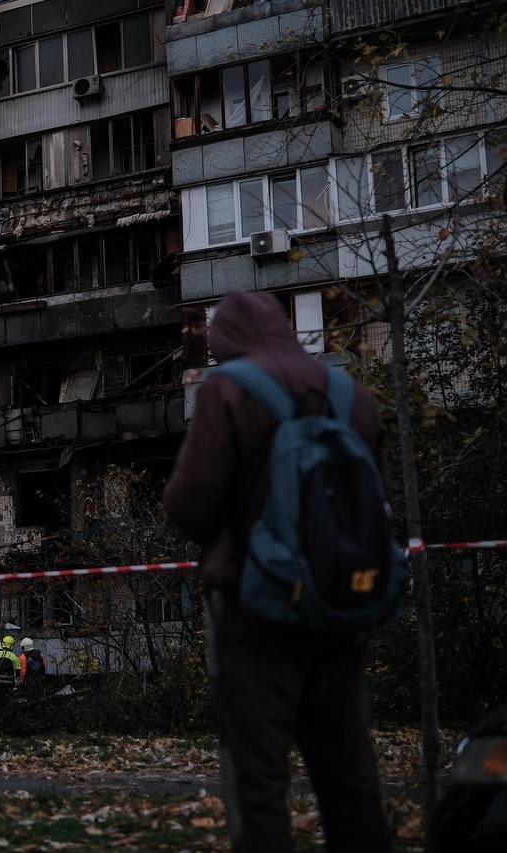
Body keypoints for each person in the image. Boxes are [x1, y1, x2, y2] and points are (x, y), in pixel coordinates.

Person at [163, 291, 390, 853]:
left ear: (224, 341)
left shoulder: (228, 389)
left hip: (256, 605)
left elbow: (190, 503)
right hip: (342, 604)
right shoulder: (351, 395)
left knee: (259, 777)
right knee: (349, 771)